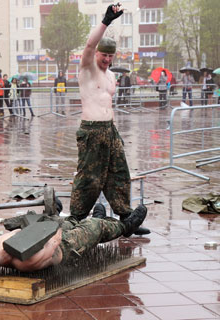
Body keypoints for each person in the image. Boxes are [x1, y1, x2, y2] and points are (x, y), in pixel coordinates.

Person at [69, 3, 149, 235]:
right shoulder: (87, 69)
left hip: (109, 129)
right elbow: (89, 44)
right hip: (91, 131)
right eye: (104, 55)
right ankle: (76, 219)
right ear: (96, 54)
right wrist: (106, 22)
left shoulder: (112, 75)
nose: (106, 59)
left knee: (119, 172)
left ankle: (126, 217)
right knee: (89, 178)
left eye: (110, 56)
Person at [0, 203, 147, 274]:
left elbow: (22, 230)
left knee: (70, 222)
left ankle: (98, 220)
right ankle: (126, 226)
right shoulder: (25, 262)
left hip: (41, 233)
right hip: (62, 246)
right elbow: (54, 242)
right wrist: (53, 227)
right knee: (94, 228)